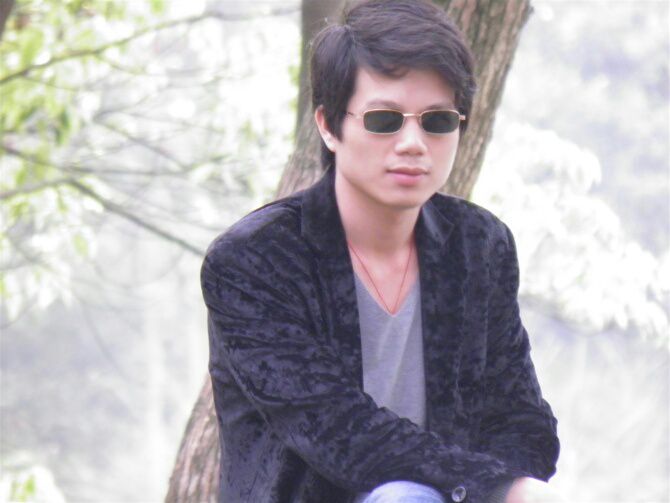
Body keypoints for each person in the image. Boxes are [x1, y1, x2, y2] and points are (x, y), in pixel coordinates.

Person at [200, 0, 560, 501]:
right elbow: (339, 432)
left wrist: (509, 486)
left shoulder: (479, 245)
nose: (413, 142)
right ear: (329, 126)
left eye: (438, 121)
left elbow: (521, 421)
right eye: (385, 119)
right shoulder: (255, 261)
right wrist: (495, 485)